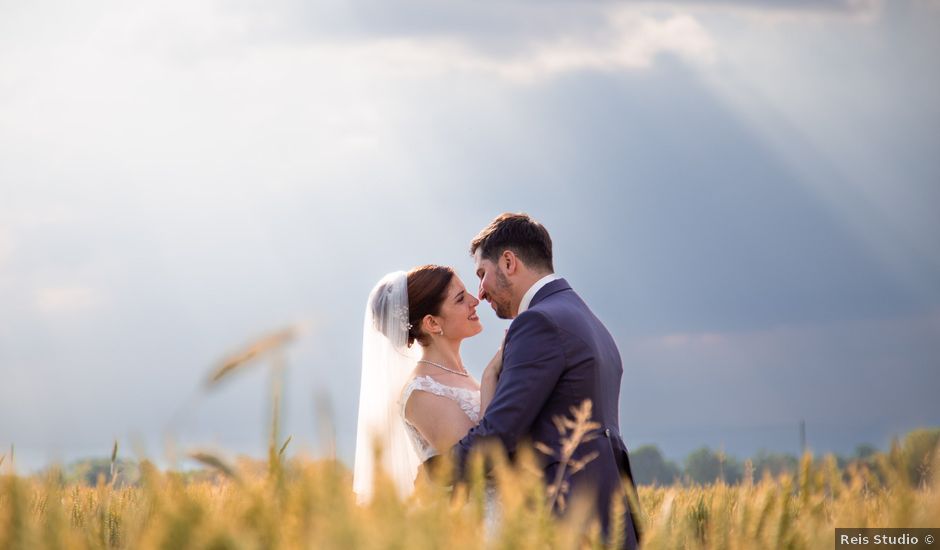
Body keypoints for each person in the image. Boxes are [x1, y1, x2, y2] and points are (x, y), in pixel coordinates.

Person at [447, 212, 642, 548]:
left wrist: (434, 473)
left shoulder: (539, 322)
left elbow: (501, 431)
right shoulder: (587, 320)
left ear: (509, 262)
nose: (481, 291)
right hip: (607, 517)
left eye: (482, 274)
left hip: (566, 520)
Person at [353, 265, 502, 502]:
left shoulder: (461, 375)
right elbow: (481, 462)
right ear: (432, 323)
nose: (475, 301)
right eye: (461, 299)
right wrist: (489, 376)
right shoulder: (421, 393)